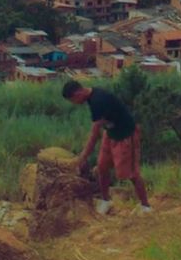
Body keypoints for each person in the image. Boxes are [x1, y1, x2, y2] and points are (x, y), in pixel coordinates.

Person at [63, 79, 151, 215]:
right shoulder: (91, 98)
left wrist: (82, 157)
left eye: (72, 100)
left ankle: (146, 206)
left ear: (78, 93)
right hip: (110, 133)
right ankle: (106, 201)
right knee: (102, 167)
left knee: (131, 173)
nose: (75, 103)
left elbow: (94, 134)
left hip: (125, 135)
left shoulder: (98, 100)